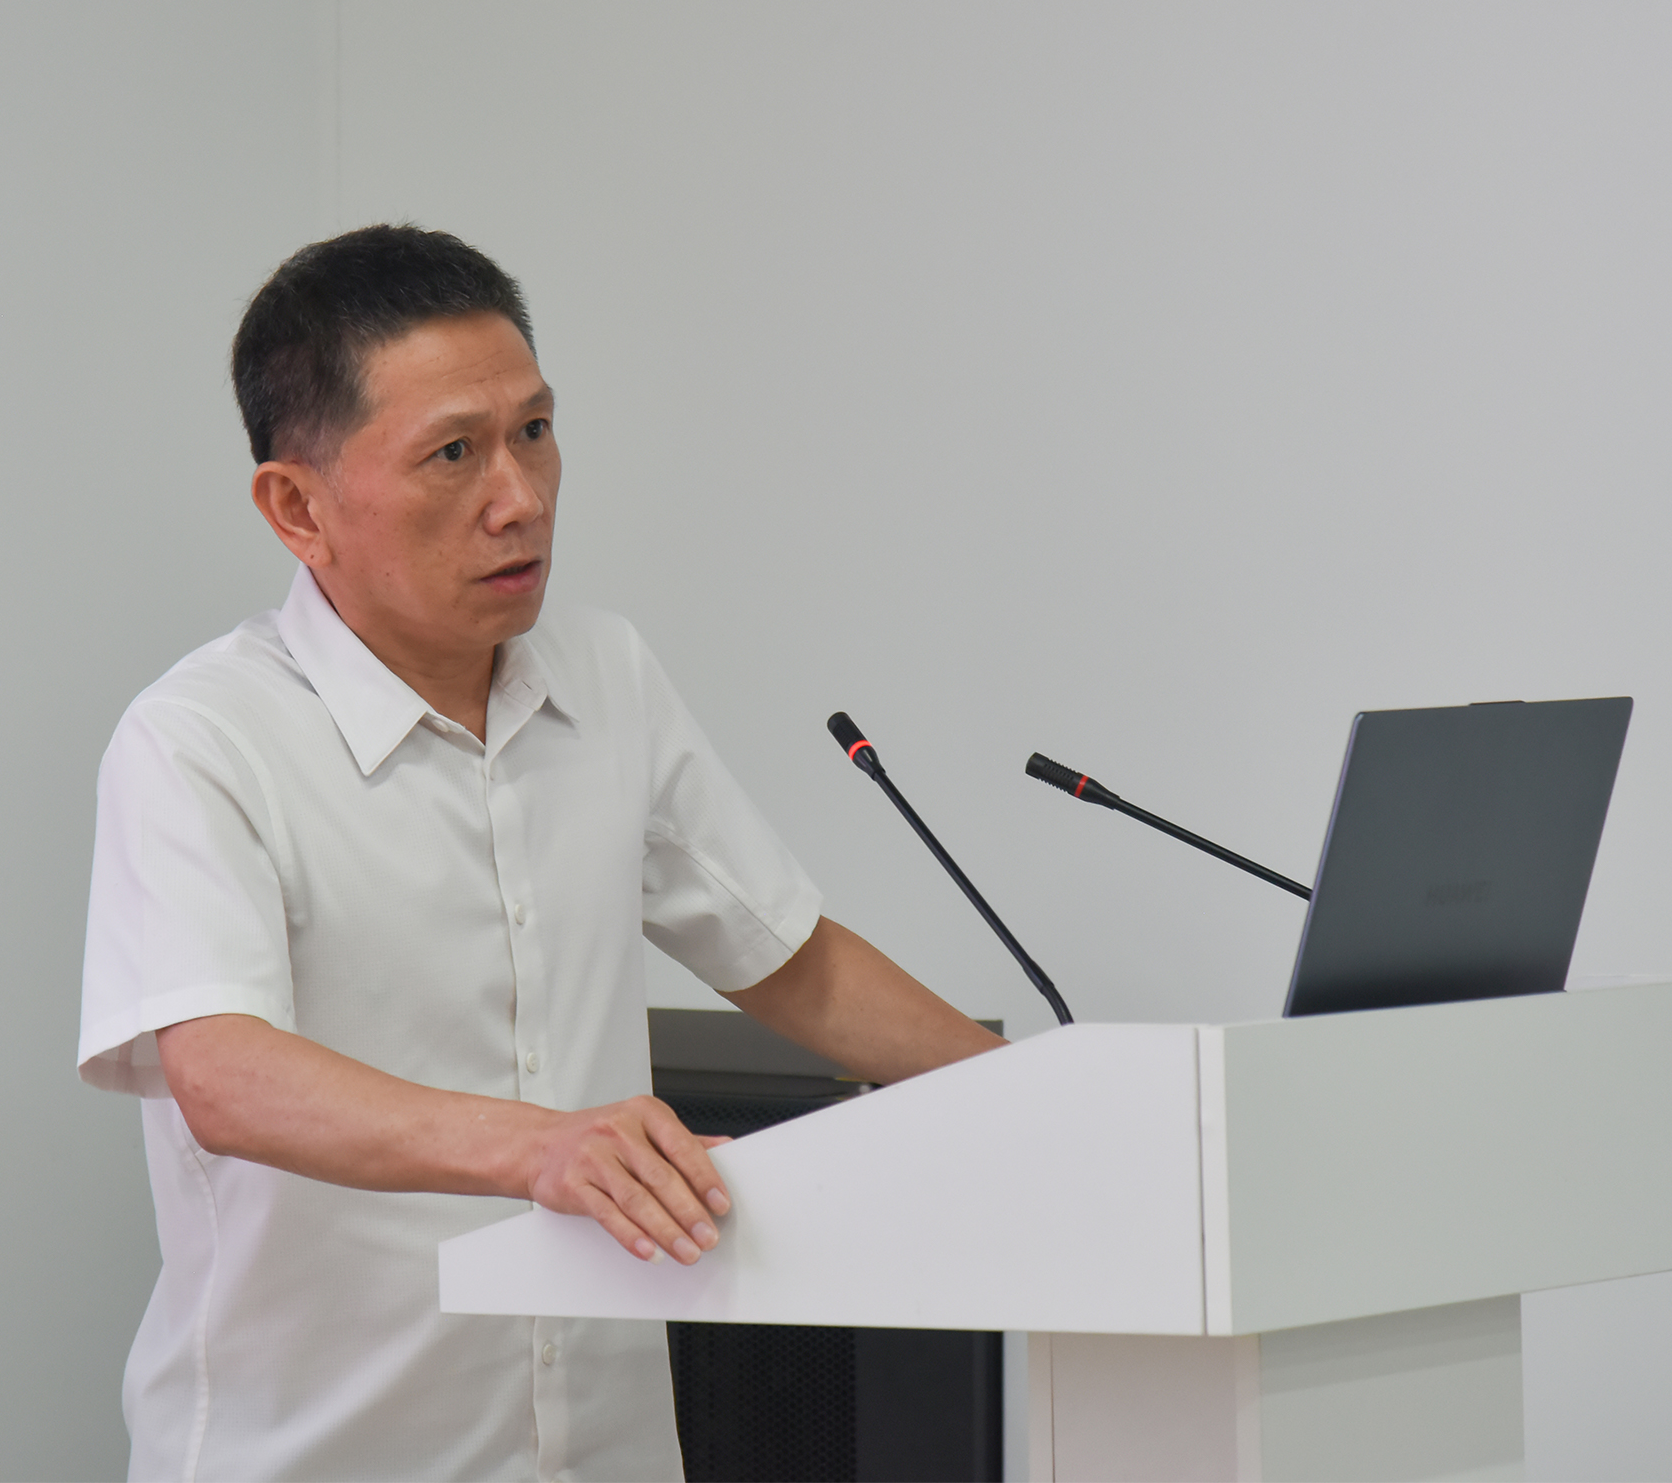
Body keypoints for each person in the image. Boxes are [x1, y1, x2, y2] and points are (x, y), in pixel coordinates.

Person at [77, 225, 1005, 1481]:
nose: (519, 496)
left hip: (602, 1446)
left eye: (534, 430)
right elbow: (225, 1077)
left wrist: (1055, 1098)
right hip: (324, 1453)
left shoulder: (603, 672)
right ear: (297, 507)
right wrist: (539, 1145)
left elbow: (788, 960)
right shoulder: (200, 738)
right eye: (452, 453)